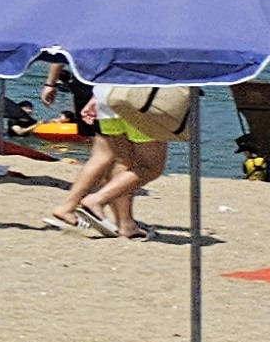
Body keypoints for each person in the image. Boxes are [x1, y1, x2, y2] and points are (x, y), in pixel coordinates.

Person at [47, 83, 194, 239]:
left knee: (122, 161)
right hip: (140, 98)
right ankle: (97, 200)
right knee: (150, 166)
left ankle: (125, 224)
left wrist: (95, 97)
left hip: (108, 96)